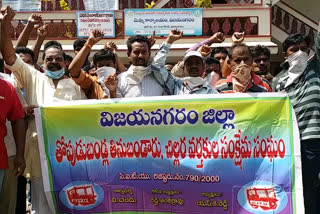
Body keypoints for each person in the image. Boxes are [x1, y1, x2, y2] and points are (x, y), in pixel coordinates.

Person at [0, 5, 85, 214]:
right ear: (42, 62)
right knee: (40, 206)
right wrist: (4, 24)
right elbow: (10, 56)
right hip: (40, 154)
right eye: (49, 59)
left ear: (65, 62)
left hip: (70, 156)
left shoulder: (77, 85)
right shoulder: (32, 77)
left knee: (71, 203)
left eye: (58, 58)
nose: (54, 62)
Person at [272, 27, 319, 214]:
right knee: (296, 188)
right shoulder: (278, 81)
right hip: (290, 144)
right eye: (294, 49)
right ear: (285, 54)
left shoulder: (316, 68)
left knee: (313, 187)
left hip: (314, 140)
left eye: (303, 48)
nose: (300, 53)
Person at [152, 29, 218, 95]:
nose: (194, 66)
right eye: (189, 63)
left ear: (203, 68)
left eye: (197, 63)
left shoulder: (211, 93)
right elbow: (157, 66)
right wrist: (169, 41)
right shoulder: (175, 85)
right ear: (183, 69)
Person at [69, 29, 118, 99]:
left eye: (108, 65)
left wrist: (112, 91)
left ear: (115, 66)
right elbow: (73, 70)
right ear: (95, 67)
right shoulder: (92, 82)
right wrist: (90, 43)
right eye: (101, 65)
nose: (104, 68)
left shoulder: (123, 80)